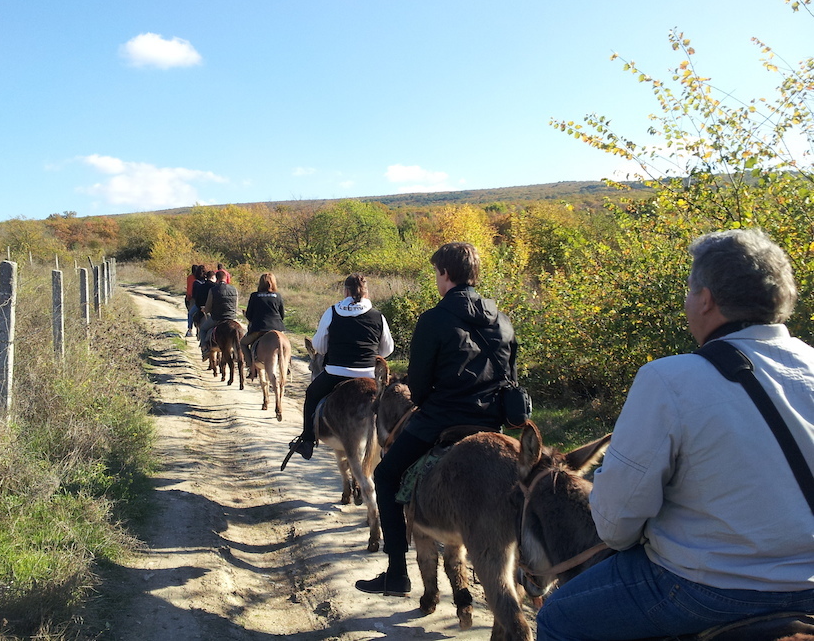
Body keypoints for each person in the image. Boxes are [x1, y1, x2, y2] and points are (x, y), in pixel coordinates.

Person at [536, 228, 814, 640]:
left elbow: (615, 524)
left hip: (708, 590)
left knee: (558, 617)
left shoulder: (669, 378)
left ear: (706, 299)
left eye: (689, 289)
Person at [354, 242, 518, 597]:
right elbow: (511, 377)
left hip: (441, 420)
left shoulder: (433, 319)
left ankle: (397, 572)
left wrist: (431, 405)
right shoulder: (502, 320)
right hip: (492, 425)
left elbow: (421, 384)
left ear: (445, 274)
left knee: (385, 475)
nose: (437, 280)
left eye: (436, 274)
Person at [288, 273, 395, 462]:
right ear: (367, 292)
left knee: (312, 394)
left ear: (345, 291)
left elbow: (319, 346)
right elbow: (387, 349)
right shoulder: (378, 315)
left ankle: (307, 440)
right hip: (369, 374)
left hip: (336, 373)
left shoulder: (332, 312)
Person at [240, 273, 287, 379]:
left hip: (259, 330)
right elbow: (282, 315)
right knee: (284, 344)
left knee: (243, 343)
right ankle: (287, 365)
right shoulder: (278, 296)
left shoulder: (254, 296)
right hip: (277, 328)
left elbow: (249, 315)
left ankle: (251, 367)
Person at [198, 270, 240, 357]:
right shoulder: (234, 289)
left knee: (203, 329)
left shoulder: (213, 290)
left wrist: (205, 310)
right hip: (231, 317)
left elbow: (208, 307)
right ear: (226, 279)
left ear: (217, 279)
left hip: (217, 318)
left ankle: (205, 348)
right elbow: (236, 306)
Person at [185, 264, 203, 337]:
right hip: (201, 300)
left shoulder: (190, 278)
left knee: (191, 314)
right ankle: (198, 329)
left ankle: (190, 330)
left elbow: (189, 288)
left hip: (192, 298)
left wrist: (188, 296)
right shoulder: (201, 279)